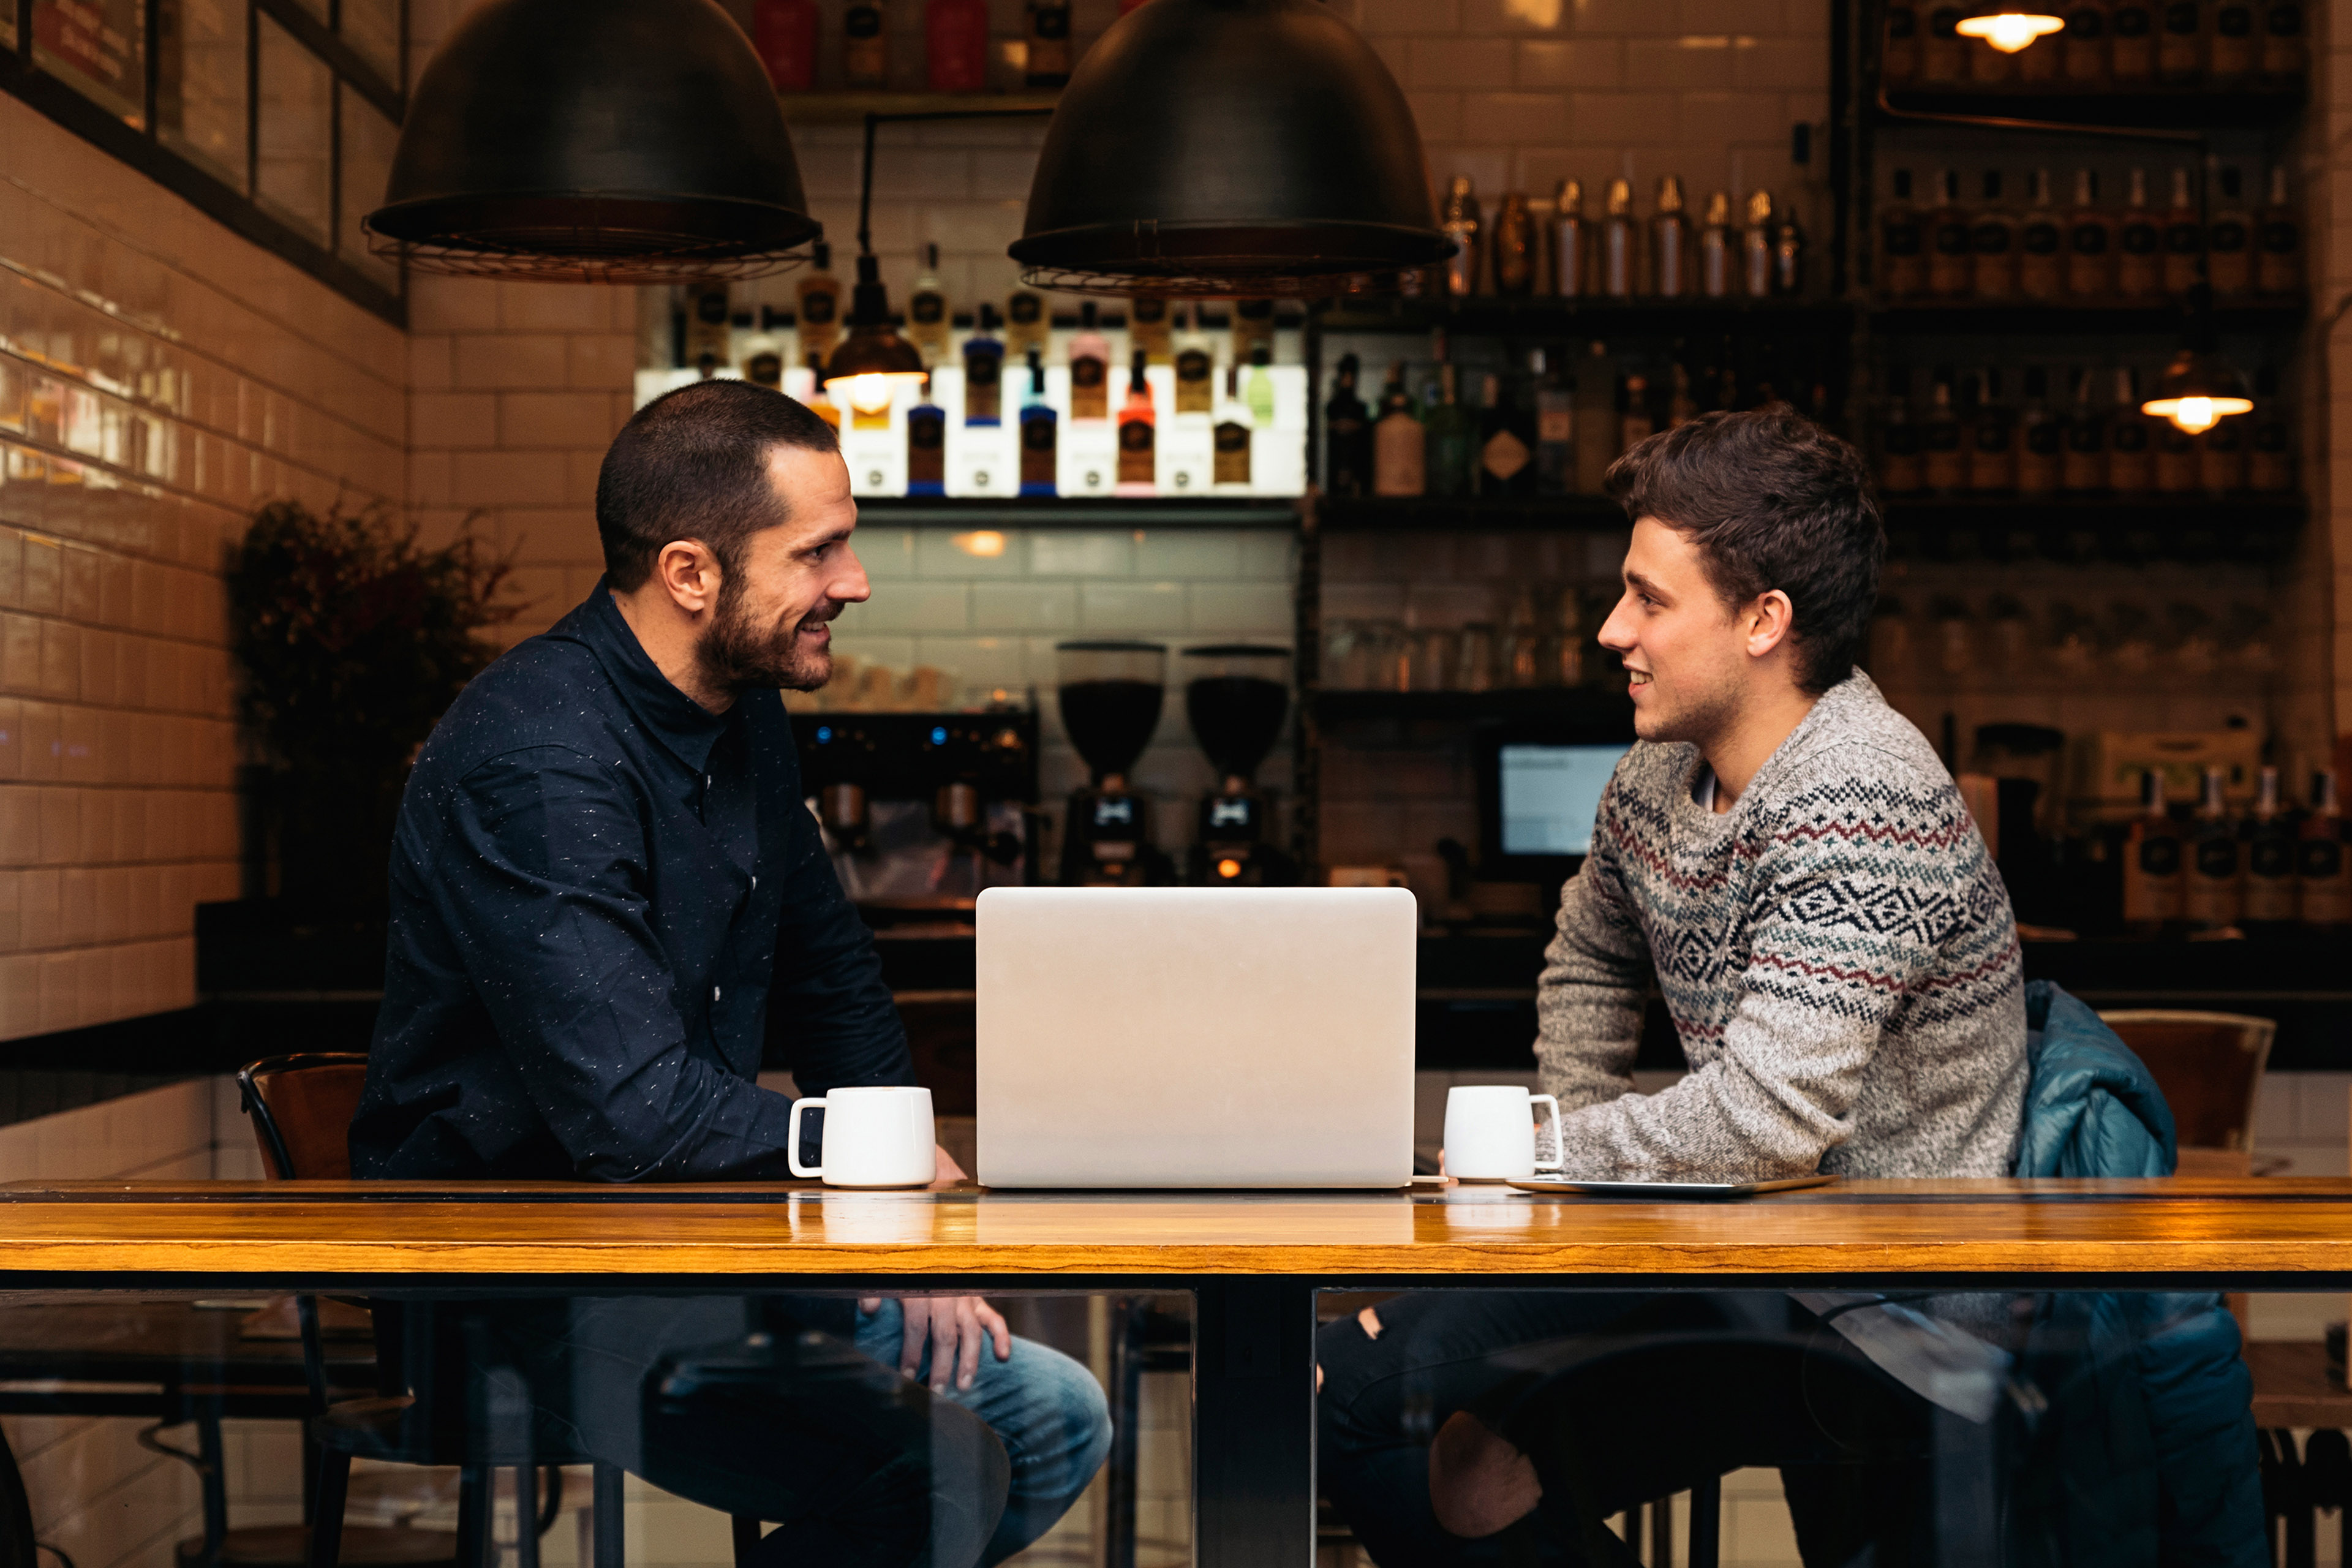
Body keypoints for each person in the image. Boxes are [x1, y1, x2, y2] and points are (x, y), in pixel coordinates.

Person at [350, 379, 1110, 1567]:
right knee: (945, 1467)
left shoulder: (740, 713)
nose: (853, 583)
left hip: (692, 1247)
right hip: (517, 1288)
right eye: (820, 551)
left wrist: (905, 1237)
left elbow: (835, 981)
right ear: (691, 572)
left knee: (1059, 1417)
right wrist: (878, 1163)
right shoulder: (536, 757)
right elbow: (633, 1113)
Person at [1316, 404, 2030, 1565]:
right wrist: (1579, 1154)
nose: (1612, 631)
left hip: (1886, 1312)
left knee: (1356, 1393)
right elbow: (1589, 952)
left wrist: (1550, 1159)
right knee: (1441, 1450)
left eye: (1649, 598)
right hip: (1748, 1255)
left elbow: (1767, 1118)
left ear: (1764, 621)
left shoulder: (1864, 796)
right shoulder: (1658, 779)